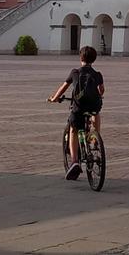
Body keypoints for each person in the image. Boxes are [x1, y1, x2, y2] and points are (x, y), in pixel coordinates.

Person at [49, 46, 105, 180]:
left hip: (79, 106)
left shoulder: (75, 72)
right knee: (95, 112)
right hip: (94, 104)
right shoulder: (97, 74)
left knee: (73, 130)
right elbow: (102, 90)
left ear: (81, 58)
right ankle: (95, 137)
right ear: (94, 59)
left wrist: (54, 98)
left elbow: (63, 88)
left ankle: (74, 161)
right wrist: (97, 96)